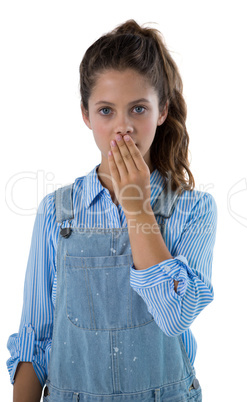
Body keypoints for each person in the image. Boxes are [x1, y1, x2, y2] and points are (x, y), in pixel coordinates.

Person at [7, 19, 217, 402]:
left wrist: (137, 208)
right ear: (85, 115)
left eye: (138, 109)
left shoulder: (193, 209)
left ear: (162, 111)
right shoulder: (57, 213)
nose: (123, 129)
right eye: (106, 111)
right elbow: (35, 340)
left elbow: (175, 317)